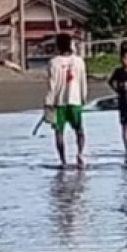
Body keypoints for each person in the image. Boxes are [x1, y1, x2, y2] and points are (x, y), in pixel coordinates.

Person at [45, 33, 88, 166]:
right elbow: (83, 81)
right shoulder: (79, 61)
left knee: (59, 132)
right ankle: (80, 154)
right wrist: (83, 97)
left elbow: (52, 85)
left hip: (59, 103)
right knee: (79, 130)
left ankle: (63, 161)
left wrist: (48, 103)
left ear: (58, 45)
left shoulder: (53, 62)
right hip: (75, 100)